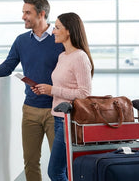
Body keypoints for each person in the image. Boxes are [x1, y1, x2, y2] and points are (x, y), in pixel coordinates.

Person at [0, 0, 64, 181]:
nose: (23, 16)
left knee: (59, 166)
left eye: (27, 12)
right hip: (30, 109)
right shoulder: (21, 41)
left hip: (56, 110)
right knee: (31, 162)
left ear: (42, 14)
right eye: (23, 12)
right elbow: (8, 66)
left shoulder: (60, 40)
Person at [32, 12, 94, 181]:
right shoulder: (62, 56)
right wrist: (46, 90)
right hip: (59, 119)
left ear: (69, 31)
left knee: (55, 172)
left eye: (57, 28)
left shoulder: (80, 57)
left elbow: (84, 94)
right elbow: (62, 87)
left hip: (70, 122)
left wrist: (53, 90)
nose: (53, 31)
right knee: (63, 171)